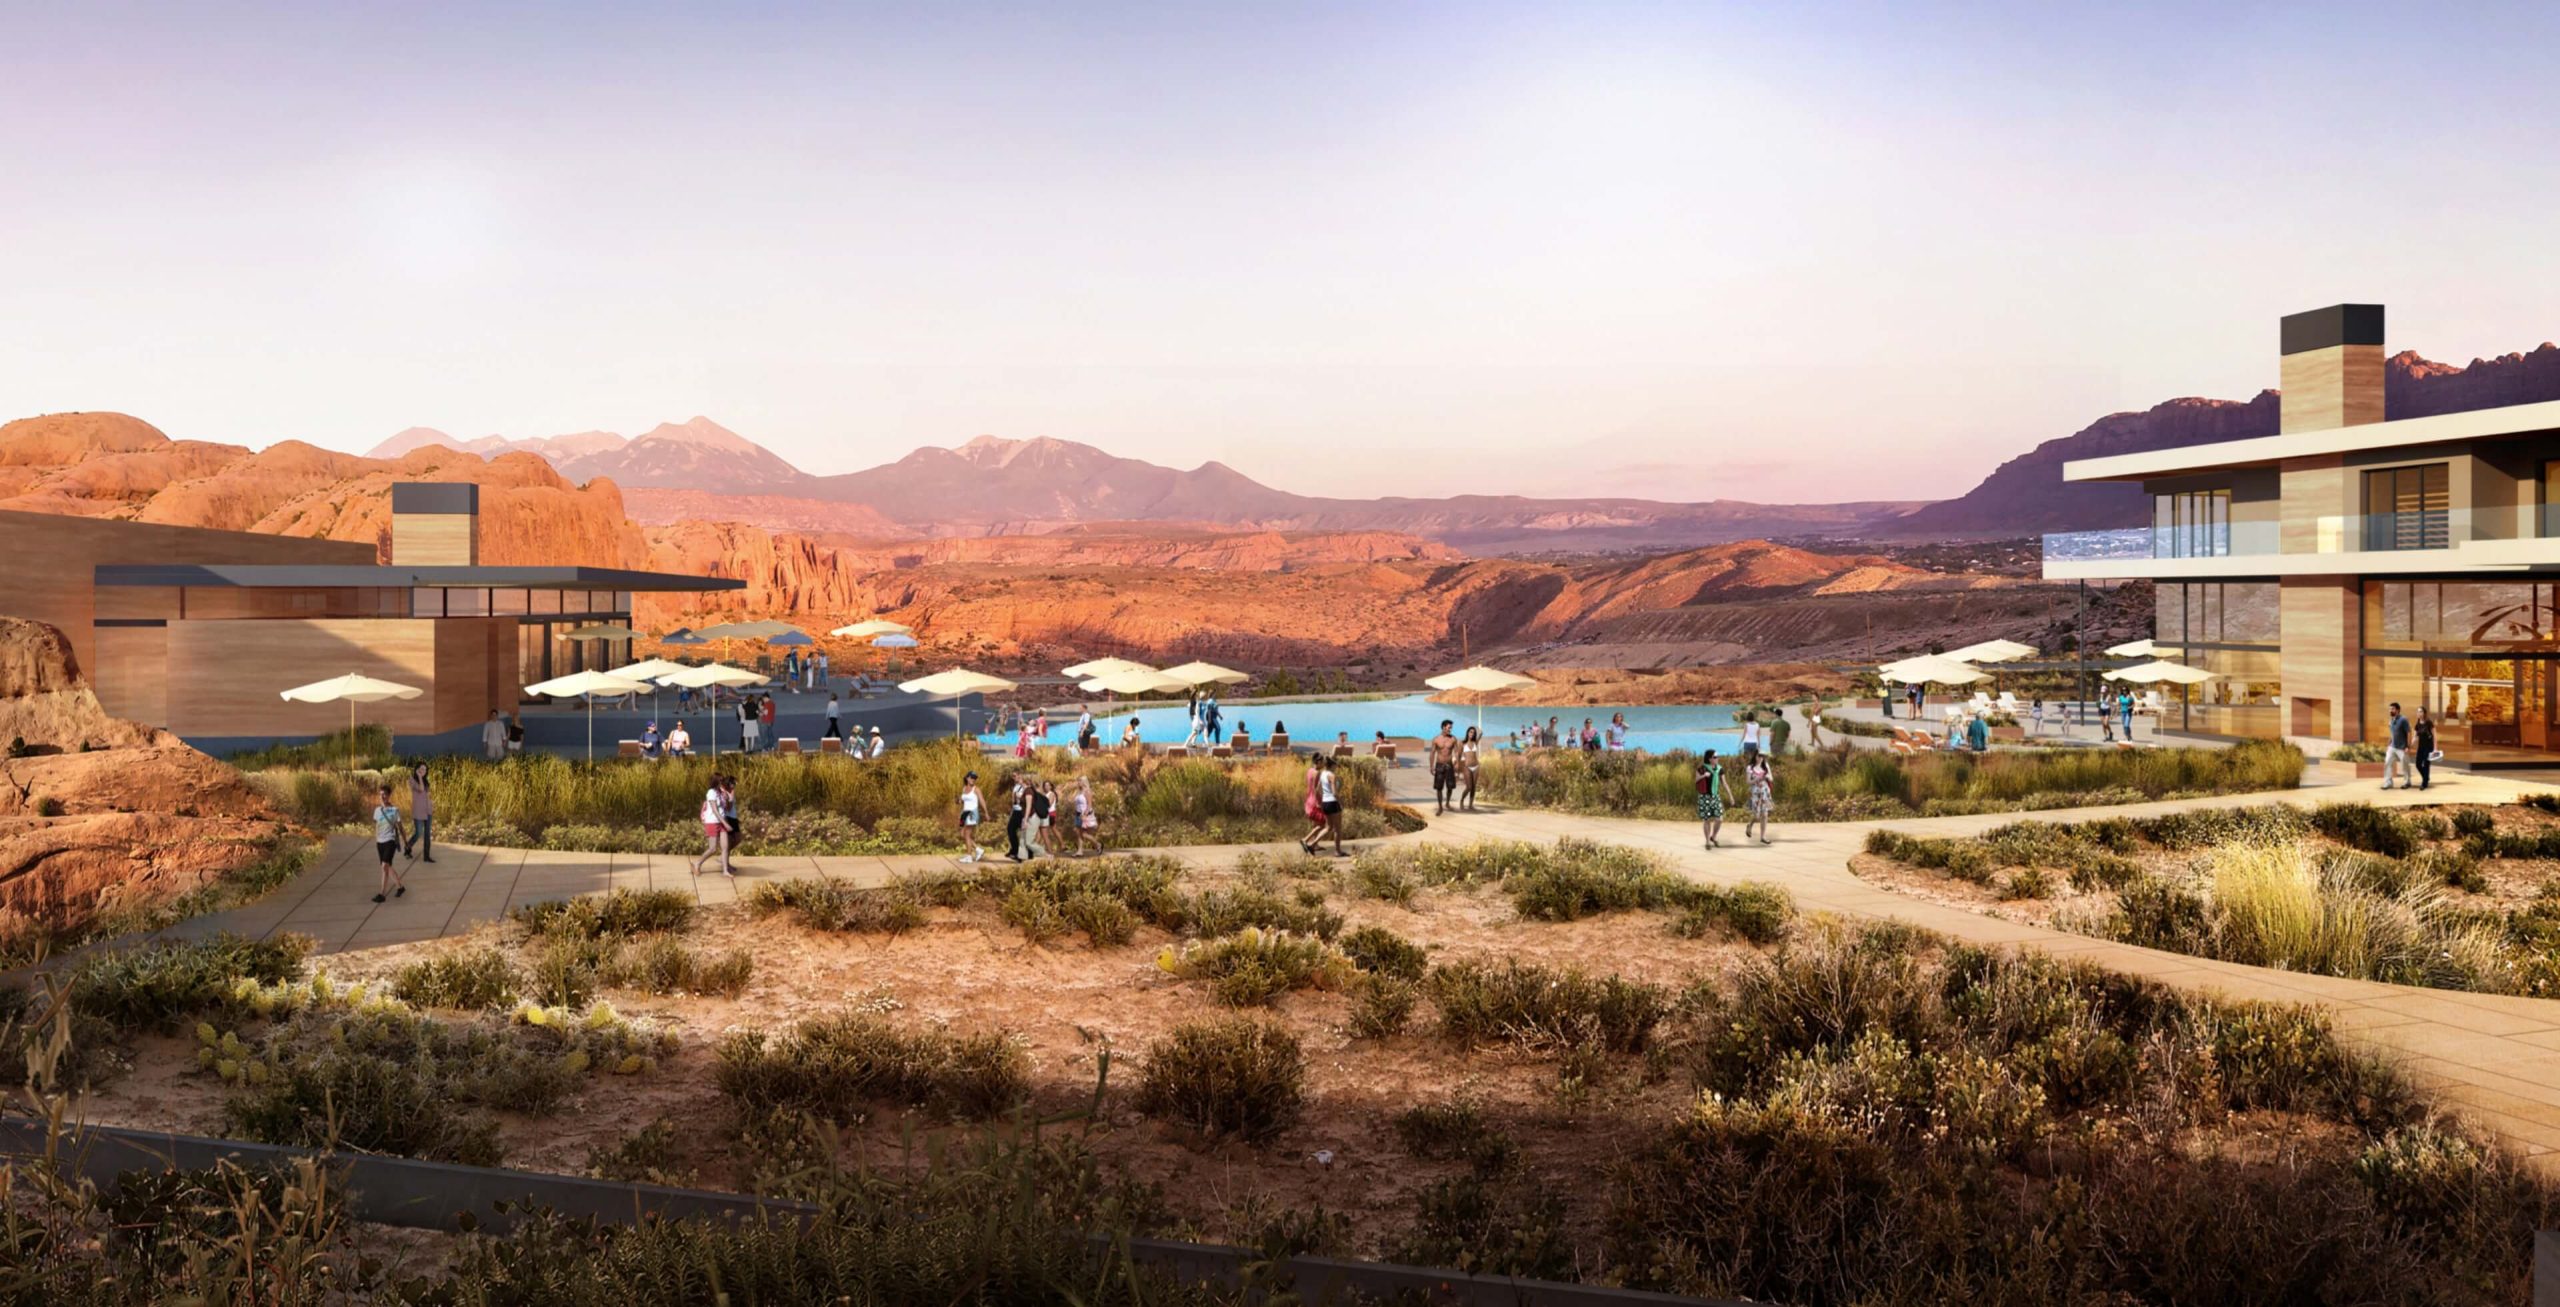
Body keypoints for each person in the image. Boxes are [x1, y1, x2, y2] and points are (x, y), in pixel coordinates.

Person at [370, 784, 409, 903]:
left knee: (384, 866)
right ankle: (400, 887)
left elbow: (400, 828)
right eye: (380, 794)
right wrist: (377, 839)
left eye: (385, 794)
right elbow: (377, 825)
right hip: (380, 842)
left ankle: (382, 894)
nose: (382, 797)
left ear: (389, 795)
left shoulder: (394, 810)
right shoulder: (377, 810)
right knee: (388, 866)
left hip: (390, 841)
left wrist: (406, 843)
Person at [692, 773, 733, 876]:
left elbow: (727, 808)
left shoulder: (721, 792)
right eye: (721, 781)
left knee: (725, 847)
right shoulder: (711, 792)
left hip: (722, 821)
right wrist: (725, 824)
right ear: (716, 782)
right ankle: (697, 863)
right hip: (712, 822)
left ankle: (725, 871)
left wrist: (727, 799)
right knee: (713, 849)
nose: (722, 783)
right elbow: (715, 810)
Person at [1694, 749, 1730, 849]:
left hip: (1715, 796)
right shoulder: (1702, 768)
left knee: (1719, 819)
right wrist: (1703, 776)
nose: (1717, 759)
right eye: (1715, 757)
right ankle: (1707, 842)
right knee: (1707, 820)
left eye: (1717, 757)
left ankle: (1713, 837)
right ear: (1709, 759)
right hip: (1704, 796)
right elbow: (1696, 780)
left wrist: (1730, 796)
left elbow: (1724, 783)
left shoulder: (1719, 769)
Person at [1315, 755, 1346, 857]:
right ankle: (1337, 851)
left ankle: (1312, 844)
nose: (1336, 767)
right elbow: (1334, 793)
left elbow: (1318, 789)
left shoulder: (1323, 774)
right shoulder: (1332, 776)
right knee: (1337, 829)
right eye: (1336, 765)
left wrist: (1322, 799)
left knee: (1328, 827)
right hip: (1333, 802)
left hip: (1325, 802)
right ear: (1332, 765)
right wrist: (1341, 802)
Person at [1428, 719, 1460, 815]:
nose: (1450, 729)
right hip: (1439, 765)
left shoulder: (1453, 739)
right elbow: (1432, 753)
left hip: (1449, 765)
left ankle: (1447, 803)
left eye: (1451, 728)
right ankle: (1440, 807)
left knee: (1450, 787)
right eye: (1449, 728)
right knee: (1439, 788)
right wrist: (1431, 766)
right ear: (1443, 727)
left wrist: (1457, 763)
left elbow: (1456, 752)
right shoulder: (1436, 739)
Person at [1298, 752, 1327, 854]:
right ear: (1318, 762)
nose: (1324, 764)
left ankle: (1316, 845)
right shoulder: (1317, 773)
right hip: (1315, 801)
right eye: (1322, 762)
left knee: (1316, 824)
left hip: (1309, 800)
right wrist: (1320, 802)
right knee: (1322, 824)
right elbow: (1316, 789)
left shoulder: (1309, 771)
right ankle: (1305, 840)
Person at [2384, 701, 2412, 789]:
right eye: (2390, 709)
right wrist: (2388, 744)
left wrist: (2408, 746)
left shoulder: (2403, 720)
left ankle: (2407, 782)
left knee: (2405, 765)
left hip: (2402, 748)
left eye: (2392, 709)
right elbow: (2392, 734)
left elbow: (2409, 733)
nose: (2390, 710)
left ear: (2398, 710)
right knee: (2387, 763)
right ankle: (2388, 782)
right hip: (2392, 747)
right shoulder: (2391, 721)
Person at [1025, 779, 1053, 860]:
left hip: (1040, 816)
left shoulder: (1035, 793)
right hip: (1043, 815)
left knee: (1042, 836)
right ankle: (1047, 853)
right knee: (1042, 836)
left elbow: (1048, 804)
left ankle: (1047, 853)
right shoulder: (1043, 793)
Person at [1071, 778, 1099, 855]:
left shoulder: (1087, 791)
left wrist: (1085, 814)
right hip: (1078, 814)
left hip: (1085, 814)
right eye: (1078, 781)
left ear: (1084, 782)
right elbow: (1077, 804)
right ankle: (1080, 851)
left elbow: (1089, 804)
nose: (1078, 782)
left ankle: (1097, 844)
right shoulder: (1078, 792)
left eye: (1079, 781)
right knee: (1079, 833)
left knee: (1083, 834)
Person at [1004, 776, 1029, 861]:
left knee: (1023, 833)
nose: (1015, 778)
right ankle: (1015, 850)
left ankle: (1022, 854)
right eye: (1014, 777)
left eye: (1018, 777)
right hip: (1016, 811)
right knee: (1010, 829)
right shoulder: (1016, 786)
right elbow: (1014, 800)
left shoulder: (1026, 788)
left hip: (1022, 811)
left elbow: (1027, 800)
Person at [1459, 725, 1481, 812]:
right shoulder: (1462, 743)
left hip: (1476, 766)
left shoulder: (1475, 742)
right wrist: (1459, 768)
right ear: (1467, 733)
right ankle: (1462, 801)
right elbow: (1458, 756)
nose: (1472, 733)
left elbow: (1481, 733)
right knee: (1468, 787)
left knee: (1474, 787)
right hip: (1467, 767)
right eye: (1470, 732)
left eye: (1473, 732)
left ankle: (1470, 805)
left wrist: (1477, 727)